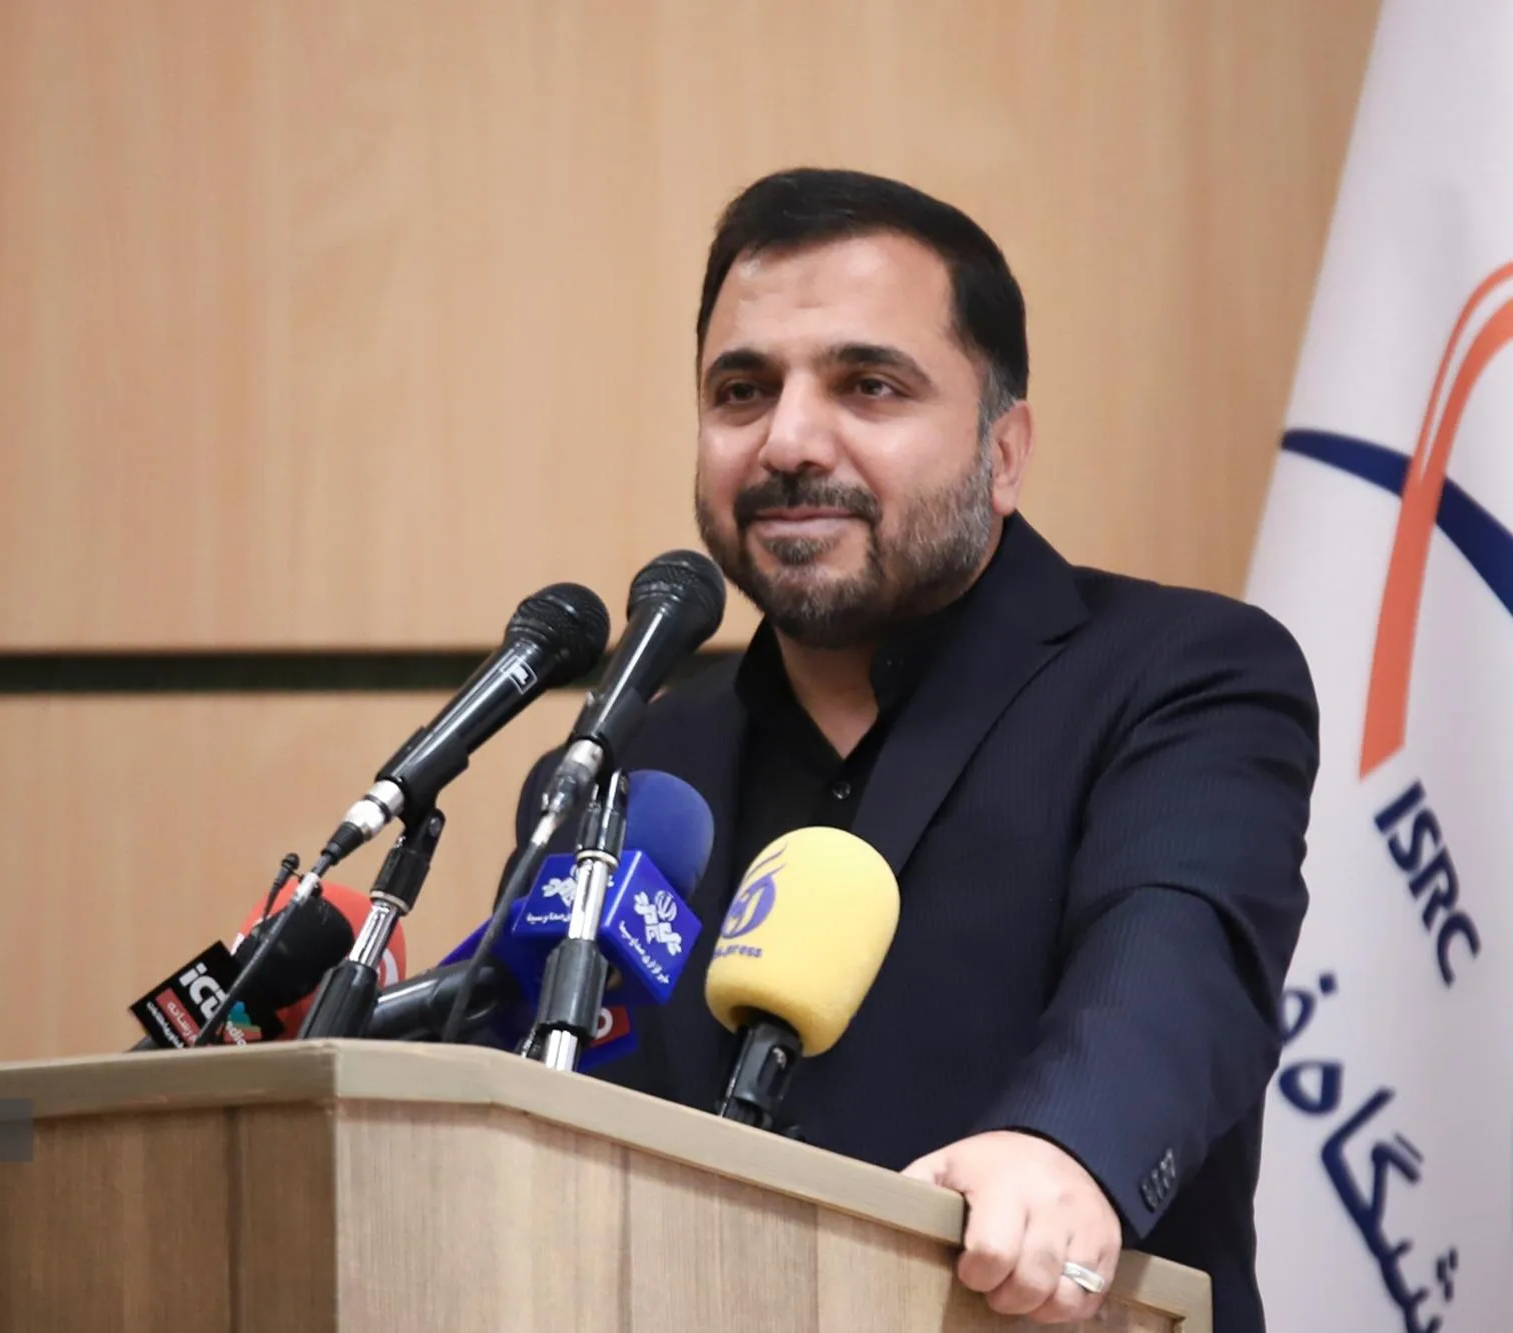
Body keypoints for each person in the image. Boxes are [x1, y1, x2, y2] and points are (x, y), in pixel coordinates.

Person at [506, 168, 1318, 1332]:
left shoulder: (1181, 675)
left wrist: (1062, 1147)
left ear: (1003, 450)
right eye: (741, 391)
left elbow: (1180, 952)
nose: (788, 439)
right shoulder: (625, 769)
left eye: (867, 385)